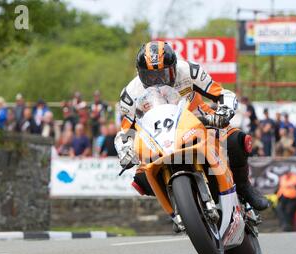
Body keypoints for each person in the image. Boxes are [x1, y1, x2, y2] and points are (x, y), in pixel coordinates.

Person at [114, 41, 269, 225]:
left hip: (200, 121)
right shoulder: (130, 94)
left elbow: (221, 93)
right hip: (159, 138)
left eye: (163, 74)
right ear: (140, 74)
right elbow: (125, 131)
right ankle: (179, 207)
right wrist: (125, 150)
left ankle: (244, 185)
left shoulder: (189, 71)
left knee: (237, 141)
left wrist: (224, 111)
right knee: (140, 178)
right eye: (150, 76)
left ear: (174, 67)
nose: (158, 81)